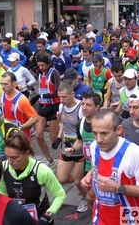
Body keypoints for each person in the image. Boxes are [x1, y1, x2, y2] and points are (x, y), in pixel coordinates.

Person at [80, 109, 139, 224]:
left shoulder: (133, 153)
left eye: (104, 133)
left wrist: (116, 188)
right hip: (101, 218)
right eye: (95, 133)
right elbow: (98, 166)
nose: (99, 139)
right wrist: (89, 175)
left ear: (119, 130)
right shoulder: (94, 147)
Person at [0, 132, 66, 223]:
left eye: (14, 158)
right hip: (16, 219)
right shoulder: (3, 168)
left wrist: (47, 217)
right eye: (7, 156)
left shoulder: (42, 170)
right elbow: (2, 193)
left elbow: (60, 195)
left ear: (26, 153)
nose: (9, 161)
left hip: (39, 219)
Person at [51, 83, 87, 213]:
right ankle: (87, 182)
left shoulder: (81, 109)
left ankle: (85, 198)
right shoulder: (62, 106)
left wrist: (76, 145)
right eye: (60, 97)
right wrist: (59, 137)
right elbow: (63, 124)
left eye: (64, 97)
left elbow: (84, 132)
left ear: (72, 94)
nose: (61, 100)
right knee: (61, 178)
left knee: (77, 182)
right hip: (66, 148)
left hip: (79, 150)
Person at [69, 90, 101, 209]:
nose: (84, 107)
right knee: (85, 191)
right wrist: (72, 149)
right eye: (83, 104)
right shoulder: (80, 123)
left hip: (100, 167)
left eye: (88, 105)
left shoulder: (101, 124)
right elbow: (80, 140)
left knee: (92, 197)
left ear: (97, 107)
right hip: (86, 164)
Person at [34, 51, 61, 166]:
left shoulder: (54, 73)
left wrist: (41, 95)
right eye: (39, 65)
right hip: (42, 106)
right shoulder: (40, 73)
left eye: (43, 65)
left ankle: (65, 149)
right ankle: (49, 159)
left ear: (48, 63)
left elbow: (57, 92)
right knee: (38, 135)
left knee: (53, 138)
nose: (41, 68)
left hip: (54, 107)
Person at [0, 72, 38, 143]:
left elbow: (35, 117)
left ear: (14, 84)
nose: (2, 86)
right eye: (1, 83)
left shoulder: (22, 100)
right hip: (7, 135)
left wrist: (21, 127)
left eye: (6, 84)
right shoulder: (2, 93)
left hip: (21, 138)